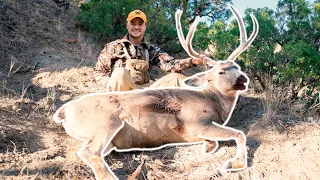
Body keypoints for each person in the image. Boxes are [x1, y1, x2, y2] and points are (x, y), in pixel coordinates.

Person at [94, 9, 206, 91]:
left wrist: (192, 61)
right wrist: (109, 83)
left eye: (140, 24)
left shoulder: (152, 49)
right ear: (127, 25)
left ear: (145, 26)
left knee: (177, 78)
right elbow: (98, 72)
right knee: (120, 73)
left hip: (144, 92)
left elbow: (169, 64)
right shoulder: (113, 46)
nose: (136, 27)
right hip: (121, 94)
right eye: (133, 23)